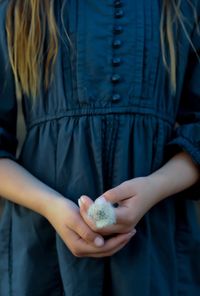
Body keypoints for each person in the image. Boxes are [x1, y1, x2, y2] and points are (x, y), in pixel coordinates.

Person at [0, 0, 200, 295]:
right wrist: (51, 206)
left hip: (156, 250)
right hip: (44, 251)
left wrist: (154, 187)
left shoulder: (185, 7)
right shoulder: (17, 7)